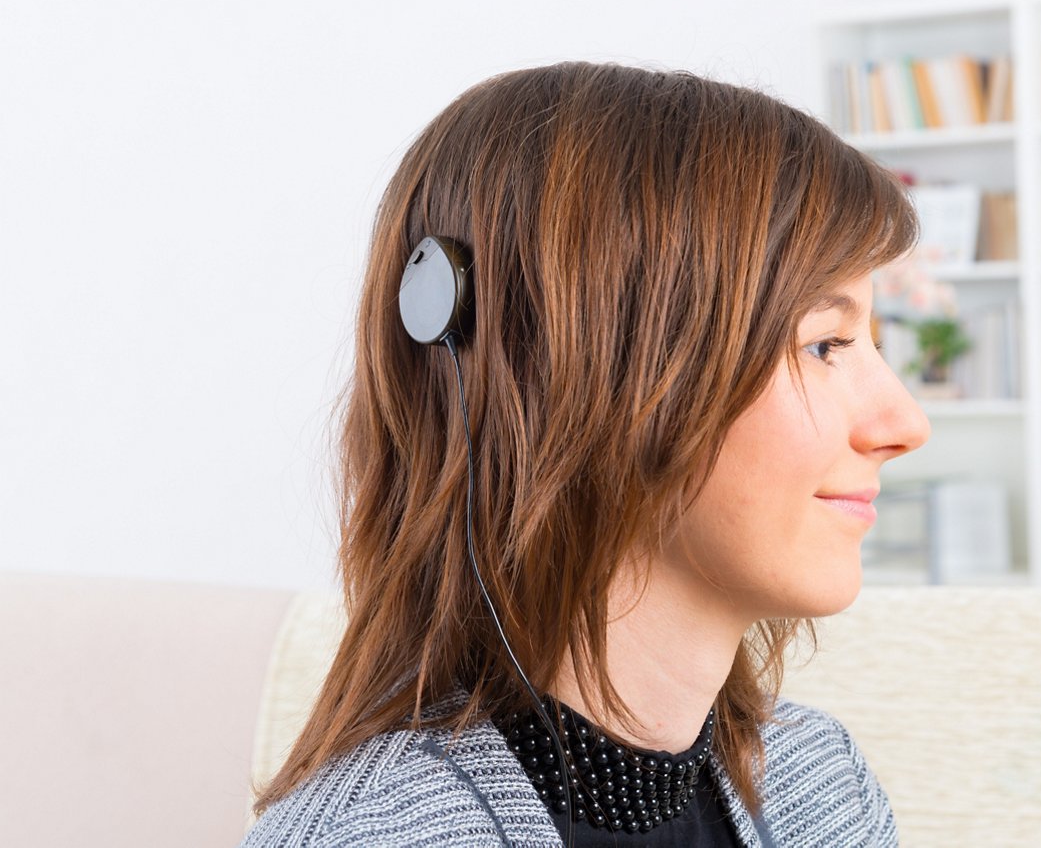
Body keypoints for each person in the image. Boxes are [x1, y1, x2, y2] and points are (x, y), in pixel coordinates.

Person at [241, 60, 930, 847]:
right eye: (825, 343)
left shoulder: (818, 782)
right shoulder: (380, 835)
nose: (905, 421)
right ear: (591, 374)